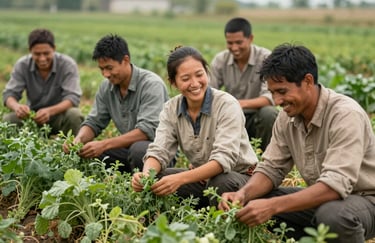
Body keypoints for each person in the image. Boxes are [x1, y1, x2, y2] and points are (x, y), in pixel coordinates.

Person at [219, 43, 375, 243]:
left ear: (308, 81)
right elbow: (271, 168)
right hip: (326, 199)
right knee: (255, 202)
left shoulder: (345, 115)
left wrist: (273, 206)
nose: (276, 100)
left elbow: (334, 186)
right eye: (272, 92)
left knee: (333, 216)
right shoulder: (287, 117)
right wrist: (242, 195)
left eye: (282, 91)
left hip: (365, 200)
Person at [131, 46, 258, 209]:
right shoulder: (171, 108)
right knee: (156, 182)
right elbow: (159, 150)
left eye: (199, 75)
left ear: (207, 73)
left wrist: (180, 179)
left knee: (221, 182)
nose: (195, 83)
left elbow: (223, 159)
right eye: (185, 79)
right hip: (202, 179)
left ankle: (214, 228)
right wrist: (146, 175)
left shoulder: (227, 105)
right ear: (173, 82)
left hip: (240, 179)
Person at [63, 34, 169, 173]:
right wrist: (78, 141)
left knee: (138, 150)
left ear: (125, 60)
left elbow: (146, 131)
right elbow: (94, 122)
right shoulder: (106, 87)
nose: (106, 74)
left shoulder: (151, 85)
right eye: (102, 69)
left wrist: (104, 144)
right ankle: (127, 177)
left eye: (109, 68)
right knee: (88, 151)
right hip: (128, 149)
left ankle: (141, 183)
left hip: (157, 152)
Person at [210, 17, 278, 152]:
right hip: (230, 118)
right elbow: (210, 92)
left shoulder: (265, 58)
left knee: (269, 113)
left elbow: (270, 97)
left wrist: (237, 103)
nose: (234, 48)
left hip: (255, 118)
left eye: (239, 42)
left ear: (250, 38)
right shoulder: (220, 60)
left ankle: (266, 158)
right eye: (230, 43)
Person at [2, 28, 84, 136]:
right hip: (32, 118)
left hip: (58, 116)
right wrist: (17, 107)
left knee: (75, 115)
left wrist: (50, 111)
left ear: (54, 49)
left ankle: (72, 149)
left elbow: (72, 98)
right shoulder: (22, 65)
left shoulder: (67, 65)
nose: (42, 58)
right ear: (30, 50)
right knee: (8, 120)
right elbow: (9, 94)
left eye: (46, 53)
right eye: (37, 54)